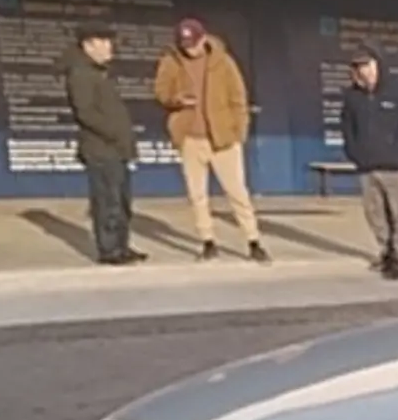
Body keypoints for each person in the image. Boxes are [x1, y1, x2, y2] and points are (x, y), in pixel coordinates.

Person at [154, 17, 269, 263]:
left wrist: (239, 132)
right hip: (190, 138)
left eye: (193, 43)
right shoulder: (170, 62)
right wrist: (177, 99)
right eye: (185, 45)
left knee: (237, 192)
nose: (190, 49)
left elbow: (238, 98)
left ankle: (253, 240)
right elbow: (161, 92)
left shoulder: (223, 62)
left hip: (223, 138)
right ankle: (207, 241)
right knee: (197, 194)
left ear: (203, 38)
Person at [64, 25, 145, 267]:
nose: (110, 46)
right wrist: (114, 134)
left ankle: (121, 245)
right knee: (107, 200)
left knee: (121, 201)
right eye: (104, 41)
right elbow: (85, 113)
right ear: (88, 45)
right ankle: (109, 250)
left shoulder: (99, 72)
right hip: (101, 149)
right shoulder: (80, 74)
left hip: (116, 148)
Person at [339, 44, 398, 280]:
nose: (363, 70)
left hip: (396, 166)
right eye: (357, 66)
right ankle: (386, 251)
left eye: (366, 65)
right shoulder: (352, 96)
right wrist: (354, 153)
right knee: (374, 213)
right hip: (367, 166)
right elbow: (347, 127)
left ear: (377, 64)